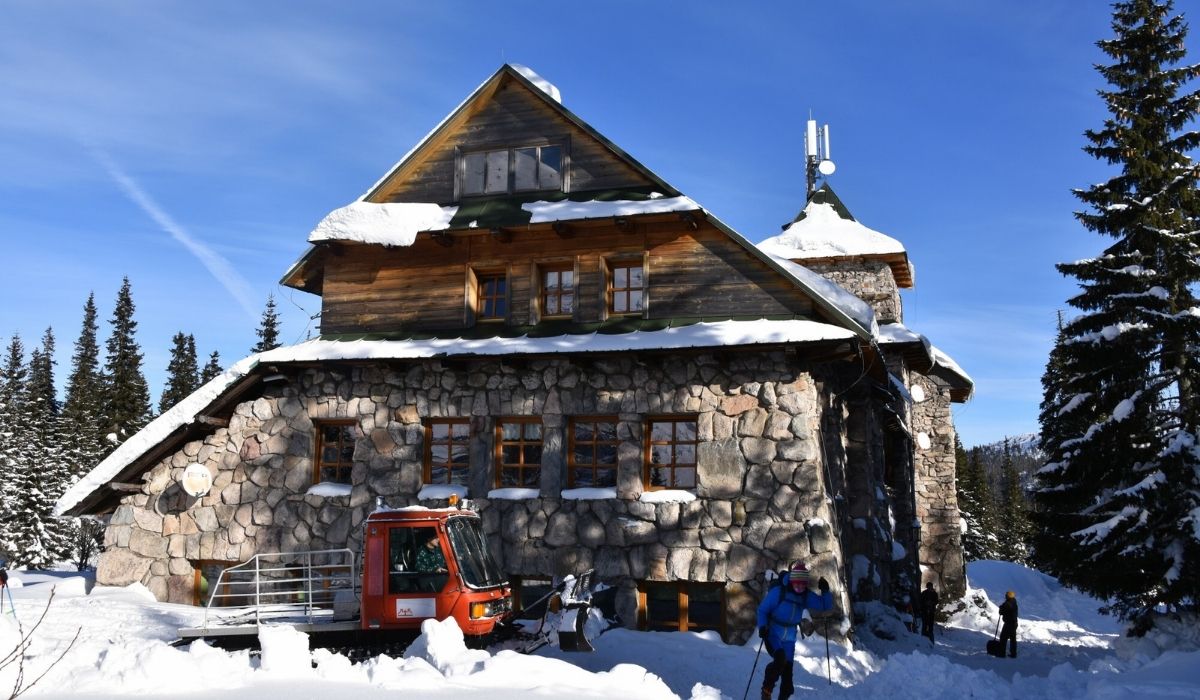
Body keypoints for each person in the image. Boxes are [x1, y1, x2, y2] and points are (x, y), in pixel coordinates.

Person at [756, 561, 834, 700]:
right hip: (773, 634)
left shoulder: (805, 595)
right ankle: (766, 690)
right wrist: (762, 627)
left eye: (803, 584)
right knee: (780, 659)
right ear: (792, 581)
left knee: (787, 684)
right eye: (797, 584)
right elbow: (762, 610)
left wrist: (825, 591)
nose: (799, 587)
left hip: (790, 638)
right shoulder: (779, 592)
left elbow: (824, 605)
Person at [998, 590, 1019, 658]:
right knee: (1013, 639)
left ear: (1008, 596)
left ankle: (1001, 653)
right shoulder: (1014, 602)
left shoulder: (1008, 603)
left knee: (1003, 638)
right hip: (1014, 623)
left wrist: (1001, 608)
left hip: (1008, 623)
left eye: (1006, 595)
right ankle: (1013, 654)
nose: (1005, 596)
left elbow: (1001, 612)